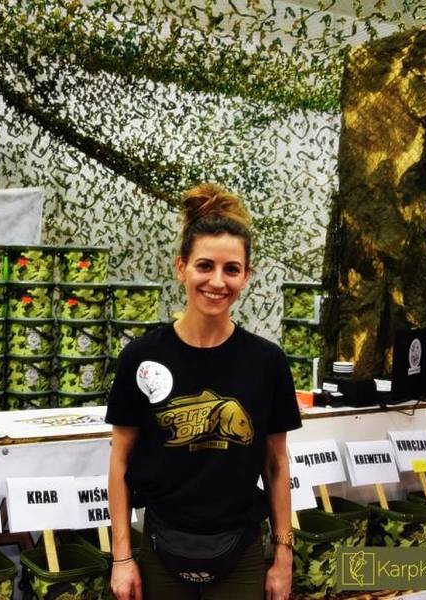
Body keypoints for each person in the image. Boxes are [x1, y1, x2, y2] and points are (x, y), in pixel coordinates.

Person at [106, 182, 302, 600]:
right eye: (204, 266)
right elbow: (120, 459)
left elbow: (276, 464)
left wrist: (283, 555)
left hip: (242, 551)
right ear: (181, 268)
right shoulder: (141, 357)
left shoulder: (267, 362)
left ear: (246, 276)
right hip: (161, 547)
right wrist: (121, 557)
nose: (217, 281)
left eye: (231, 269)